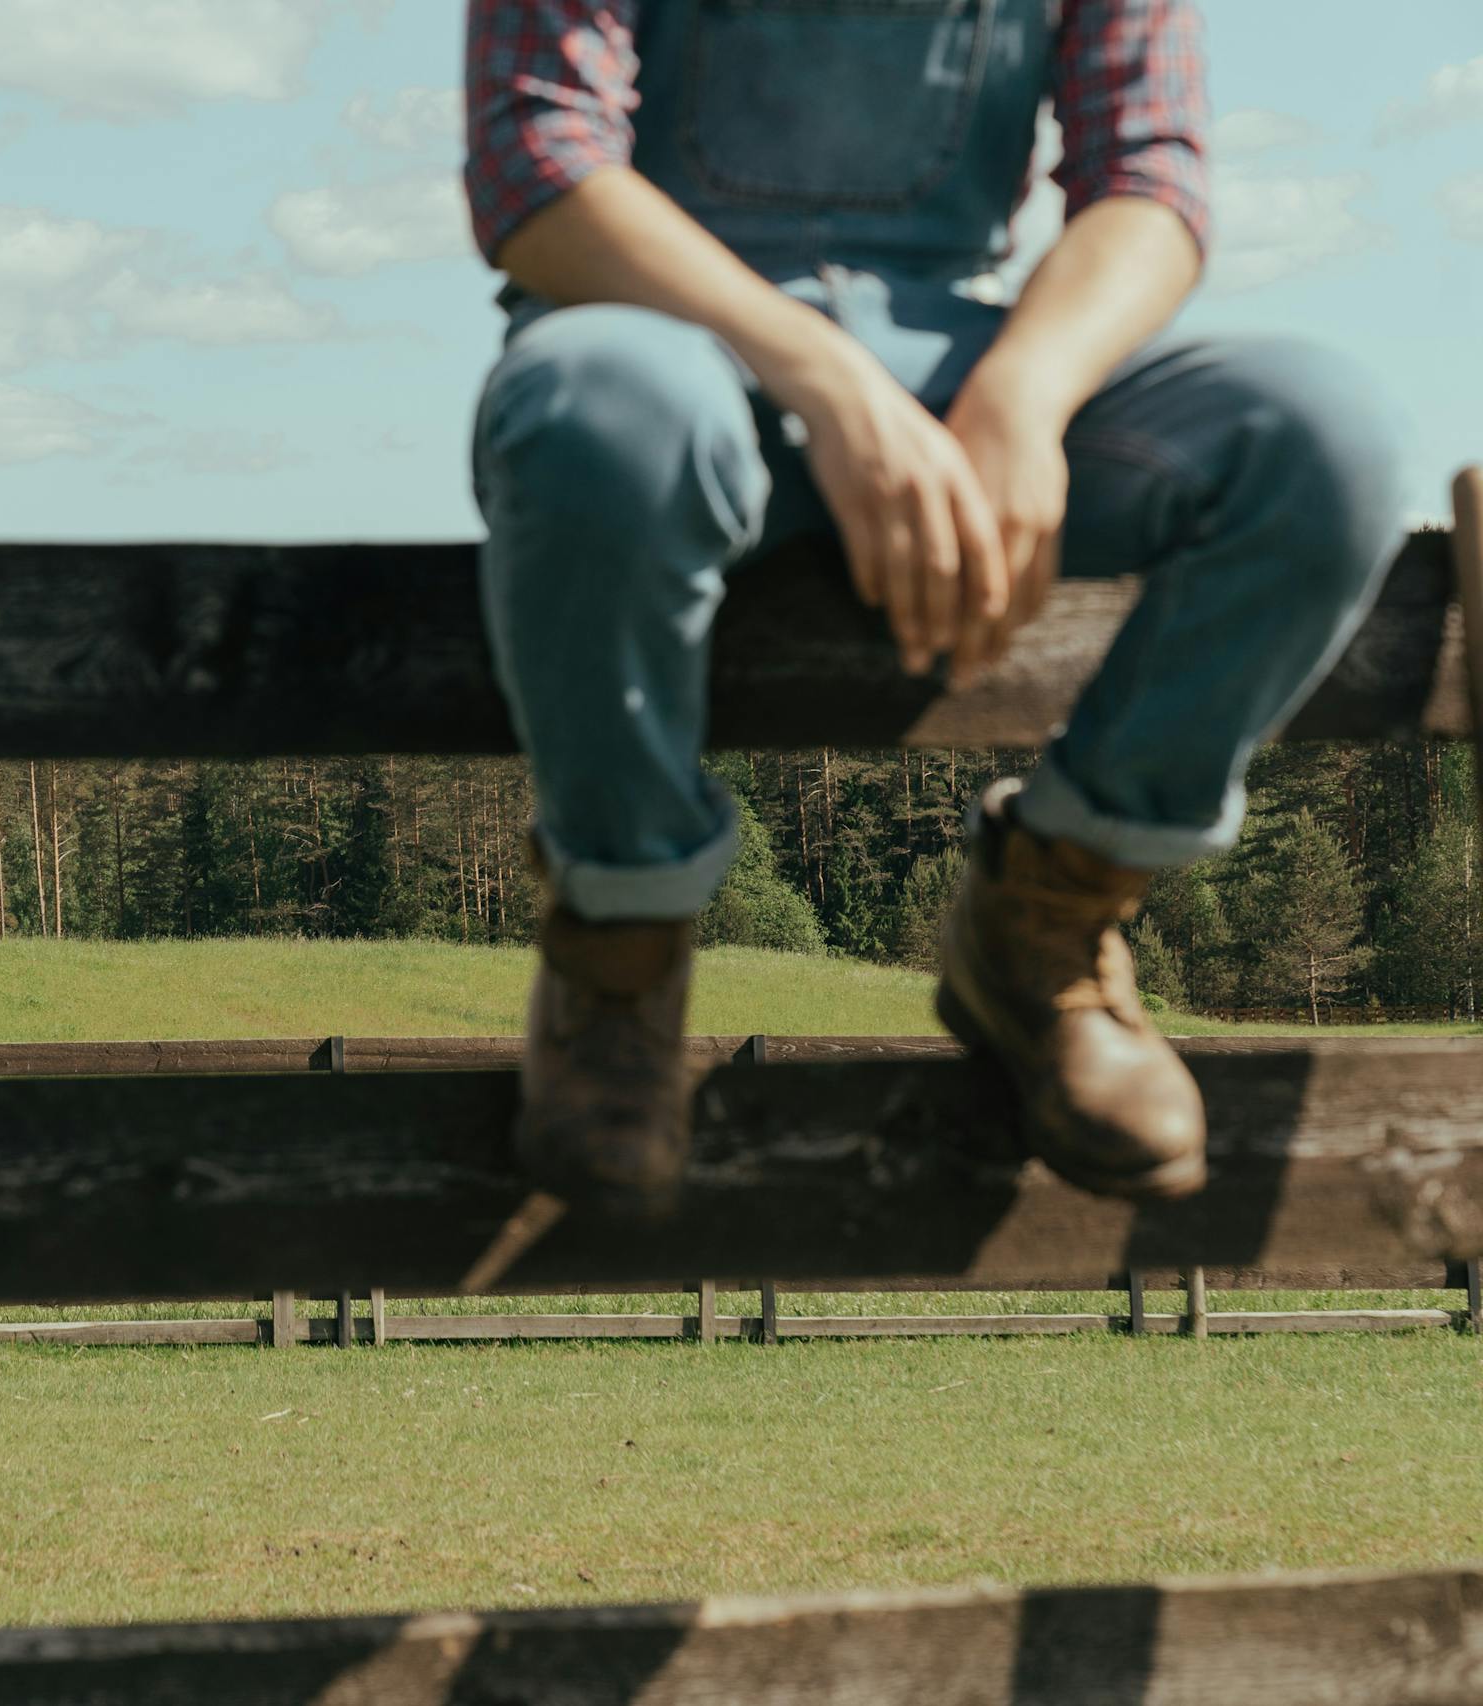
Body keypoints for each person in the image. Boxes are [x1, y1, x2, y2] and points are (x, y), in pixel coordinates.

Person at [467, 0, 1401, 1208]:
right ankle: (619, 946)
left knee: (1324, 440)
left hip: (957, 356)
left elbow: (1151, 178)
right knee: (597, 412)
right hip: (655, 340)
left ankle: (1051, 908)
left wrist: (1023, 389)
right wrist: (827, 381)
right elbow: (534, 170)